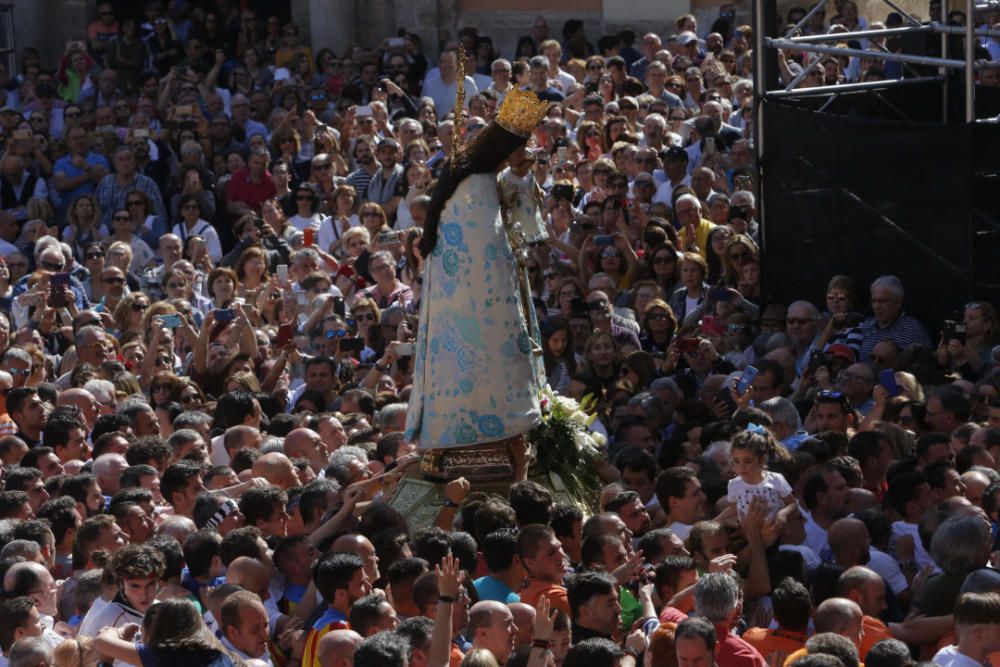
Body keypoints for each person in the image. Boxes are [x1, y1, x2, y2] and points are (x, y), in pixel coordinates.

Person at [404, 87, 548, 453]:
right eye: (519, 145)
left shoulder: (481, 175)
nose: (524, 152)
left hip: (483, 293)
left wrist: (519, 175)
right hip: (477, 297)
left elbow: (518, 220)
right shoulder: (475, 181)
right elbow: (491, 241)